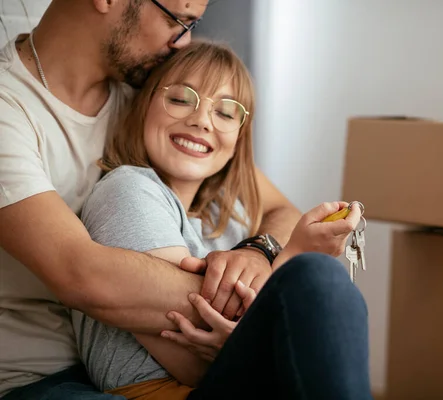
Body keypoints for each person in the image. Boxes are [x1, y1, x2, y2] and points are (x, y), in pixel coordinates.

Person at [0, 1, 302, 398]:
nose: (185, 41)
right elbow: (82, 276)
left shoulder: (151, 96)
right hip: (37, 379)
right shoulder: (10, 110)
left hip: (143, 362)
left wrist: (257, 253)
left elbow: (281, 209)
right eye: (177, 19)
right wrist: (260, 317)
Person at [72, 39, 371, 400]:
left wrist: (275, 255)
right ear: (144, 105)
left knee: (326, 282)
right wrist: (293, 255)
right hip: (166, 390)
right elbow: (189, 362)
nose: (200, 120)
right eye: (181, 98)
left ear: (238, 138)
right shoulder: (128, 190)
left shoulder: (227, 215)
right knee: (318, 275)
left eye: (226, 113)